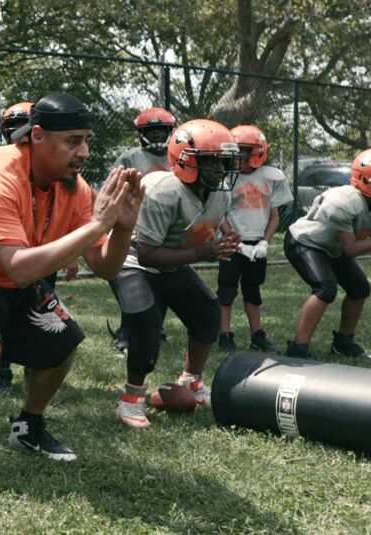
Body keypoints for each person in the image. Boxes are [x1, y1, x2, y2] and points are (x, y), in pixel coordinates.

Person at [0, 93, 144, 486]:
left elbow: (105, 267)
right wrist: (98, 226)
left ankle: (28, 428)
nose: (83, 151)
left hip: (7, 270)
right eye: (72, 141)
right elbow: (17, 270)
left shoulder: (75, 188)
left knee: (63, 342)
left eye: (86, 140)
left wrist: (123, 227)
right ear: (36, 136)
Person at [112, 119, 242, 430]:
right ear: (185, 160)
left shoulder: (217, 192)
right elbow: (146, 252)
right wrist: (200, 254)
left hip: (172, 261)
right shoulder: (161, 191)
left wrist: (227, 236)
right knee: (146, 321)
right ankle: (131, 399)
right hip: (133, 262)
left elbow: (211, 219)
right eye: (212, 162)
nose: (221, 170)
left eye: (224, 162)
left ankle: (191, 380)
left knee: (208, 311)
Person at [283, 147, 371, 360]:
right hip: (305, 242)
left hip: (330, 247)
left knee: (359, 287)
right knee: (326, 288)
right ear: (368, 179)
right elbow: (350, 249)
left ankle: (343, 343)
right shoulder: (344, 200)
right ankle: (298, 348)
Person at [0, 101, 80, 395]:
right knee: (2, 315)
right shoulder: (1, 170)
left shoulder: (57, 171)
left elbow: (68, 211)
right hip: (10, 259)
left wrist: (72, 255)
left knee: (43, 316)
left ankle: (38, 365)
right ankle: (2, 372)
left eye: (25, 130)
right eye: (14, 131)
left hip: (44, 257)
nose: (21, 137)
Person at [216, 125, 293, 353]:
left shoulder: (271, 177)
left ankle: (256, 335)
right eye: (236, 151)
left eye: (244, 151)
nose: (239, 156)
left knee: (253, 290)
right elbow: (219, 214)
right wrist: (234, 241)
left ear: (258, 152)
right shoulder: (225, 178)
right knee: (226, 290)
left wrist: (264, 242)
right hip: (231, 242)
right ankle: (225, 335)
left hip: (256, 241)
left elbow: (274, 216)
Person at [109, 107, 176, 352]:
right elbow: (114, 188)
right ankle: (127, 331)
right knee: (131, 283)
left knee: (162, 278)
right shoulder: (130, 157)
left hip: (166, 226)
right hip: (135, 226)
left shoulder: (176, 156)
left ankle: (154, 327)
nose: (158, 137)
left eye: (162, 132)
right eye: (152, 132)